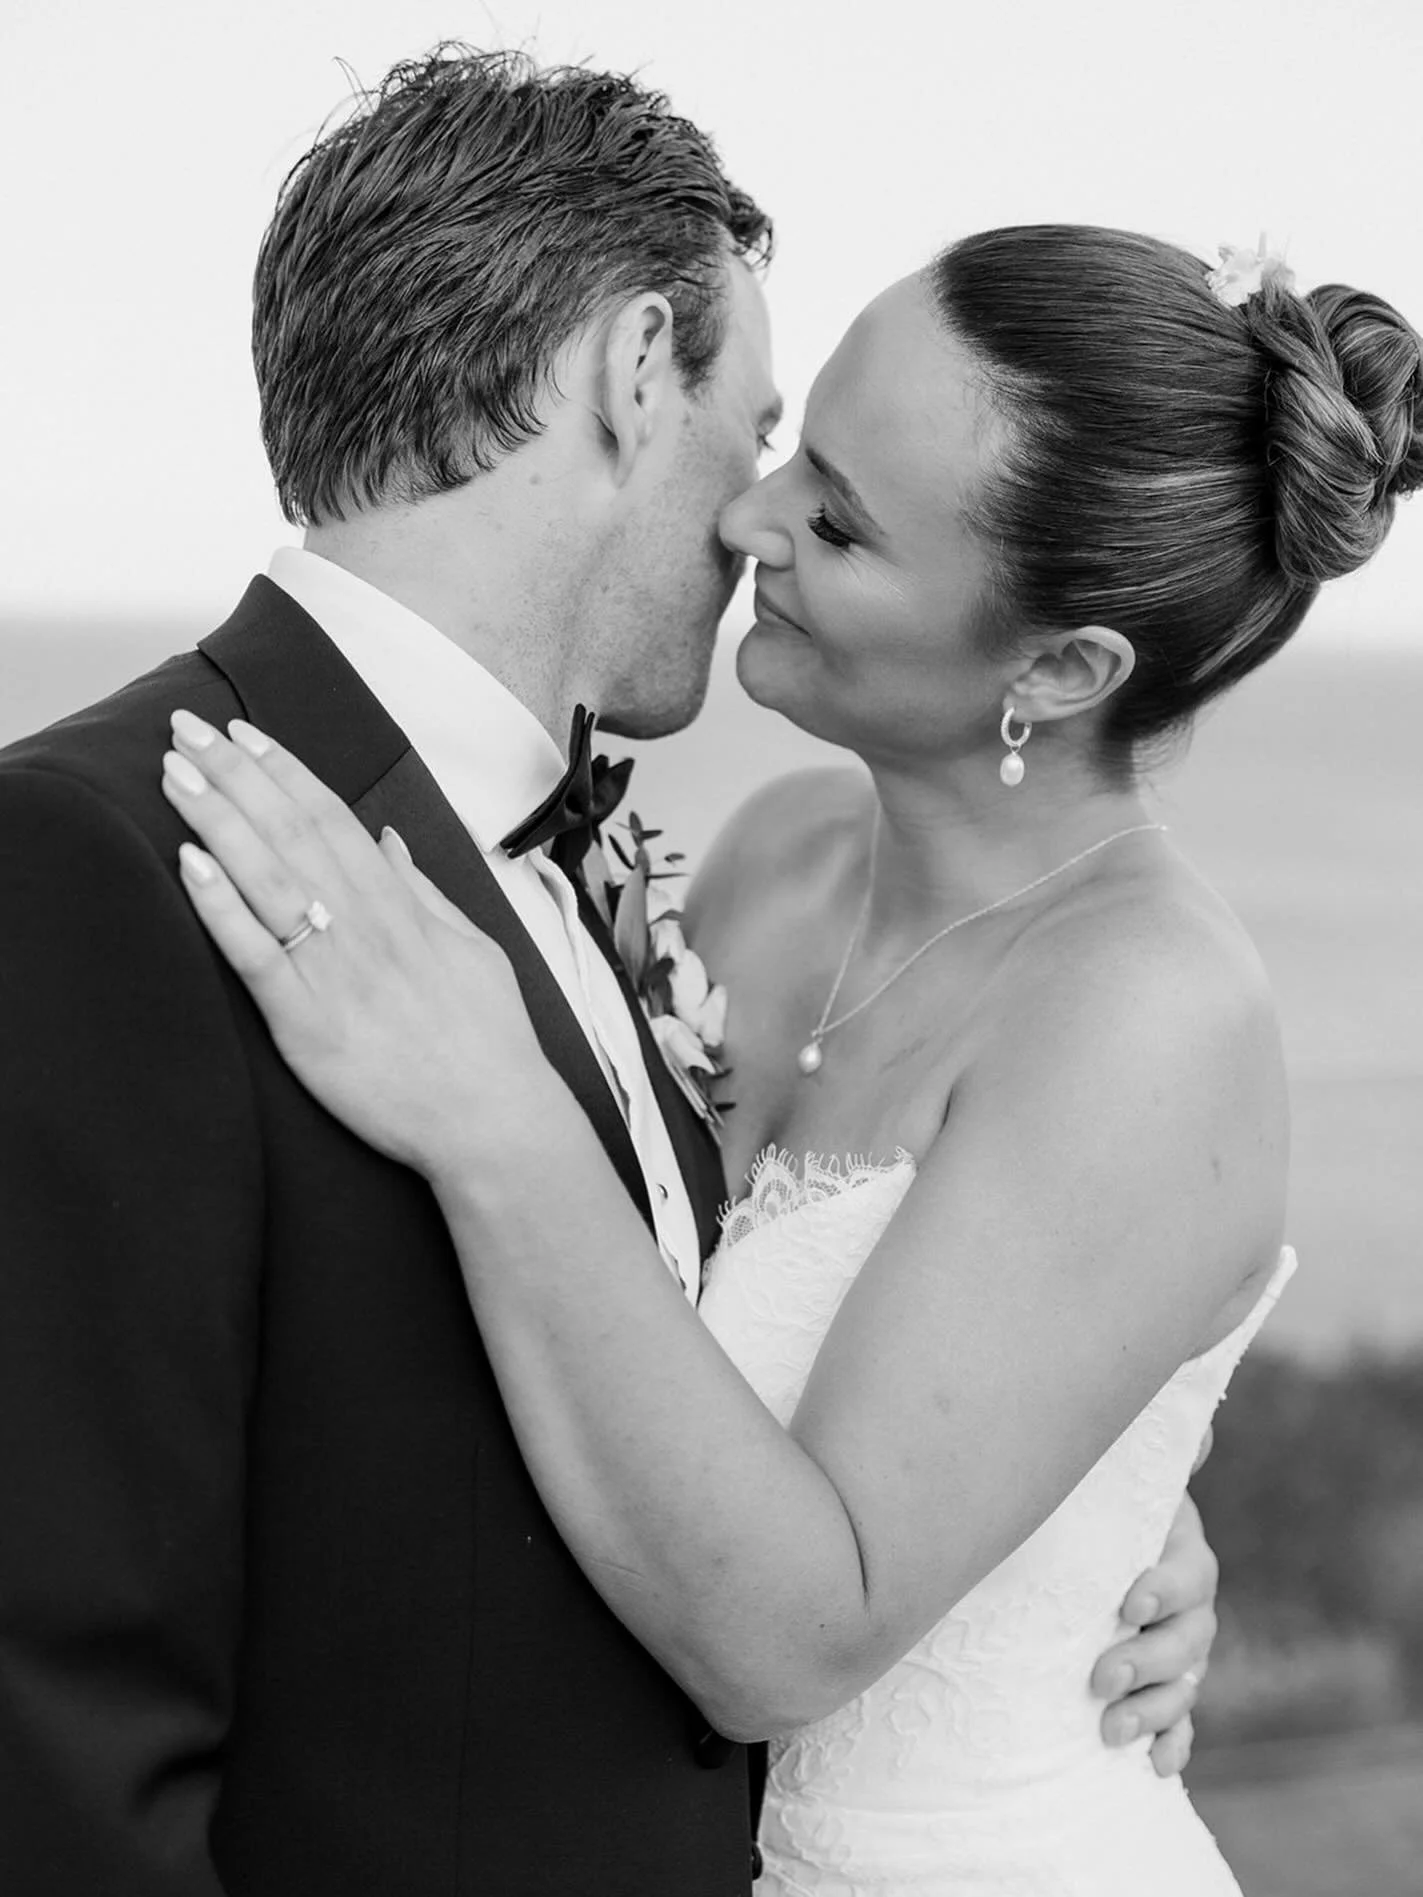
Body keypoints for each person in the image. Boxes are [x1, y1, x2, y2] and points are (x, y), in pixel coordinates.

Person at [0, 49, 1212, 1897]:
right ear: (635, 371)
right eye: (765, 422)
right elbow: (54, 1728)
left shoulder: (607, 857)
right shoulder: (100, 859)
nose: (756, 513)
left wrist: (1078, 1507)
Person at [157, 222, 1421, 1895]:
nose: (747, 518)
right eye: (796, 449)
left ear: (1057, 668)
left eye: (834, 520)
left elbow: (791, 1636)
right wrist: (1082, 1511)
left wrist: (493, 1118)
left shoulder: (1146, 1016)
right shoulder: (776, 857)